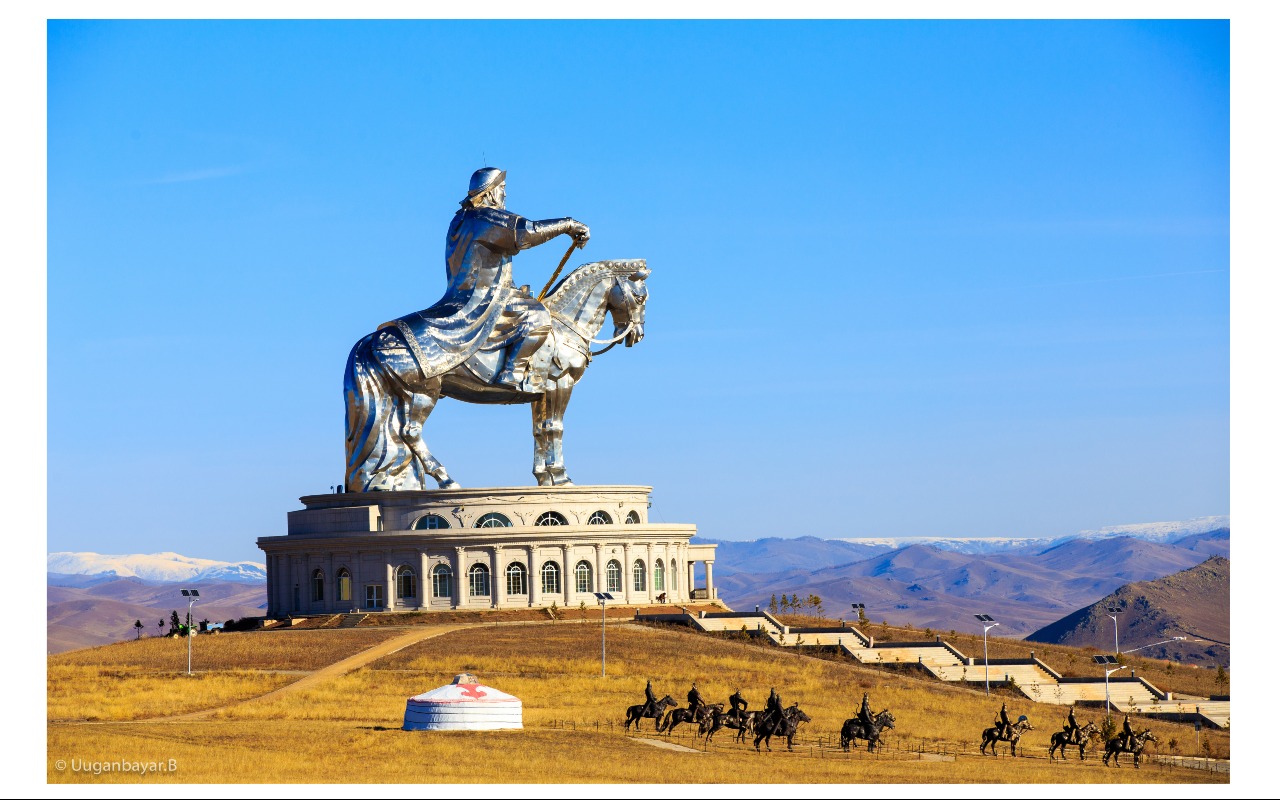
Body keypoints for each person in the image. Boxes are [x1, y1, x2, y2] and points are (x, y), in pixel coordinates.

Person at [383, 167, 589, 394]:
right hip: (485, 299)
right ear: (489, 193)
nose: (505, 195)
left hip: (458, 296)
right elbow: (527, 232)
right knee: (538, 315)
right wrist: (567, 224)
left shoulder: (460, 221)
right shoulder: (486, 217)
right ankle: (513, 372)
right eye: (502, 189)